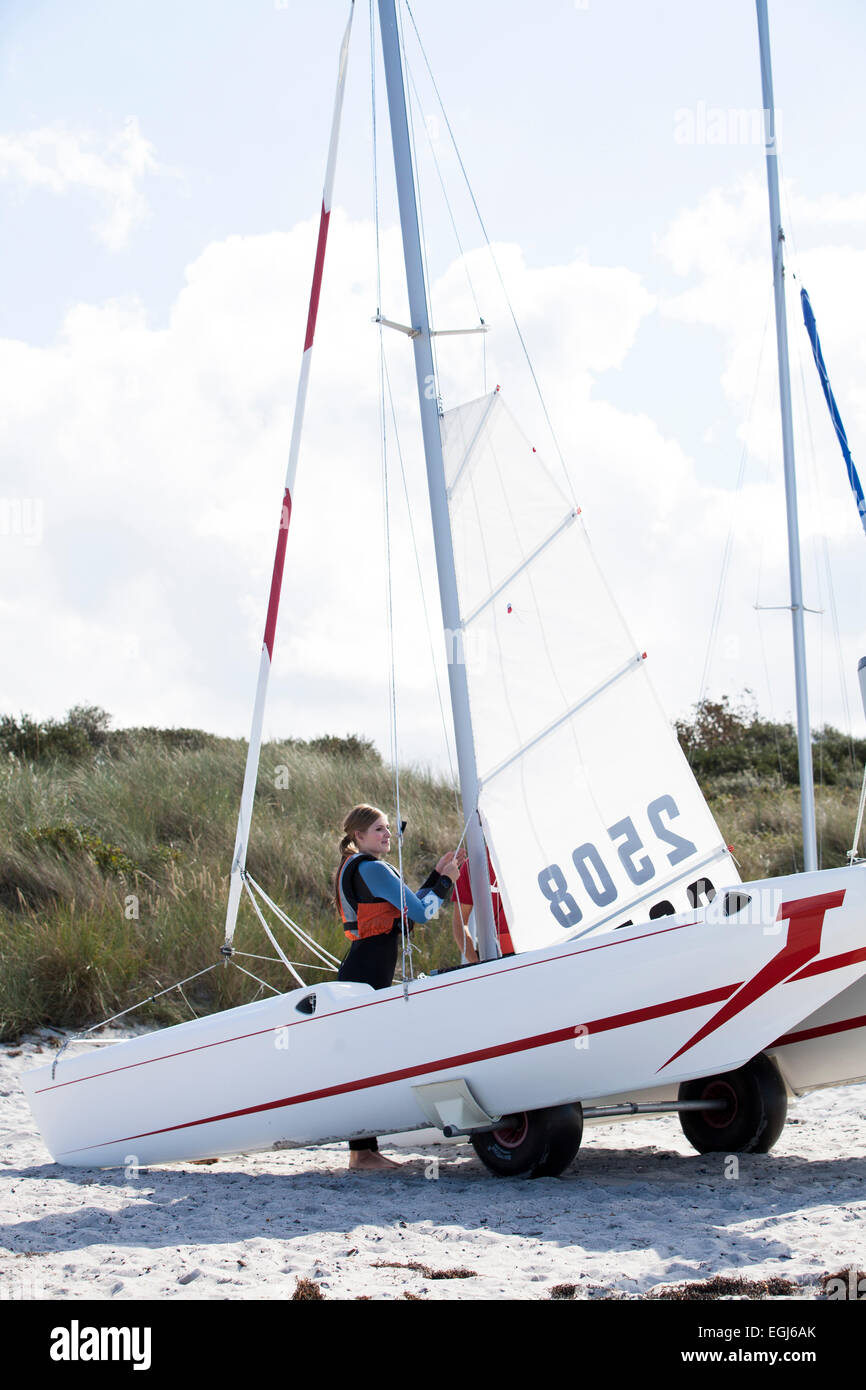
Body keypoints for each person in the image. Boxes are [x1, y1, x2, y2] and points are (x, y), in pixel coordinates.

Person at [334, 803, 464, 1171]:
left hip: (363, 968)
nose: (387, 834)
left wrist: (437, 874)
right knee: (364, 1060)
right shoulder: (371, 868)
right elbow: (422, 913)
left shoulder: (365, 868)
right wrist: (447, 882)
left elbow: (403, 911)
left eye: (388, 827)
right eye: (378, 829)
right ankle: (361, 1155)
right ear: (358, 836)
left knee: (367, 1058)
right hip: (364, 974)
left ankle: (364, 1152)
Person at [451, 846, 514, 963]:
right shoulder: (473, 866)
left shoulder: (533, 856)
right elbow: (459, 923)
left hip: (539, 949)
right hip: (497, 957)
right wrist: (475, 962)